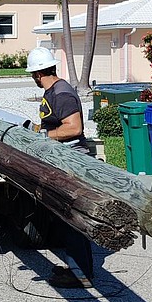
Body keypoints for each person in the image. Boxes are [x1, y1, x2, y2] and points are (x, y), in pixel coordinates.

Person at [26, 47, 94, 288]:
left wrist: (45, 135)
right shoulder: (53, 91)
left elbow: (74, 128)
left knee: (71, 216)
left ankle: (81, 274)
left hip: (72, 160)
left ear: (37, 74)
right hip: (61, 158)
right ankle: (77, 268)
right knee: (65, 217)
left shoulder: (62, 93)